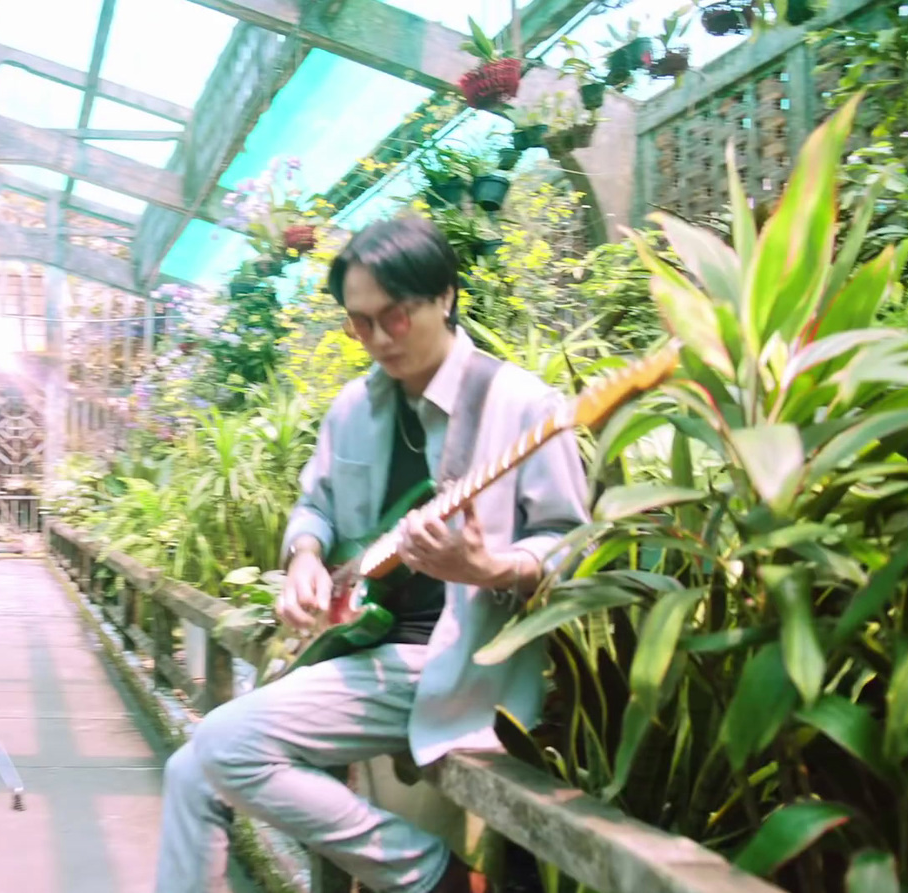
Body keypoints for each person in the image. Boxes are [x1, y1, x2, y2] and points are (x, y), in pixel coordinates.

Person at [154, 216, 590, 893]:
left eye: (396, 316)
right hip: (362, 647)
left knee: (221, 743)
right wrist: (304, 555)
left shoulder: (522, 403)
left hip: (457, 660)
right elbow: (316, 506)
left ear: (444, 295)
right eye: (359, 322)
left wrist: (490, 568)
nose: (379, 339)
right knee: (190, 769)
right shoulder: (352, 407)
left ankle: (435, 880)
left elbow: (569, 544)